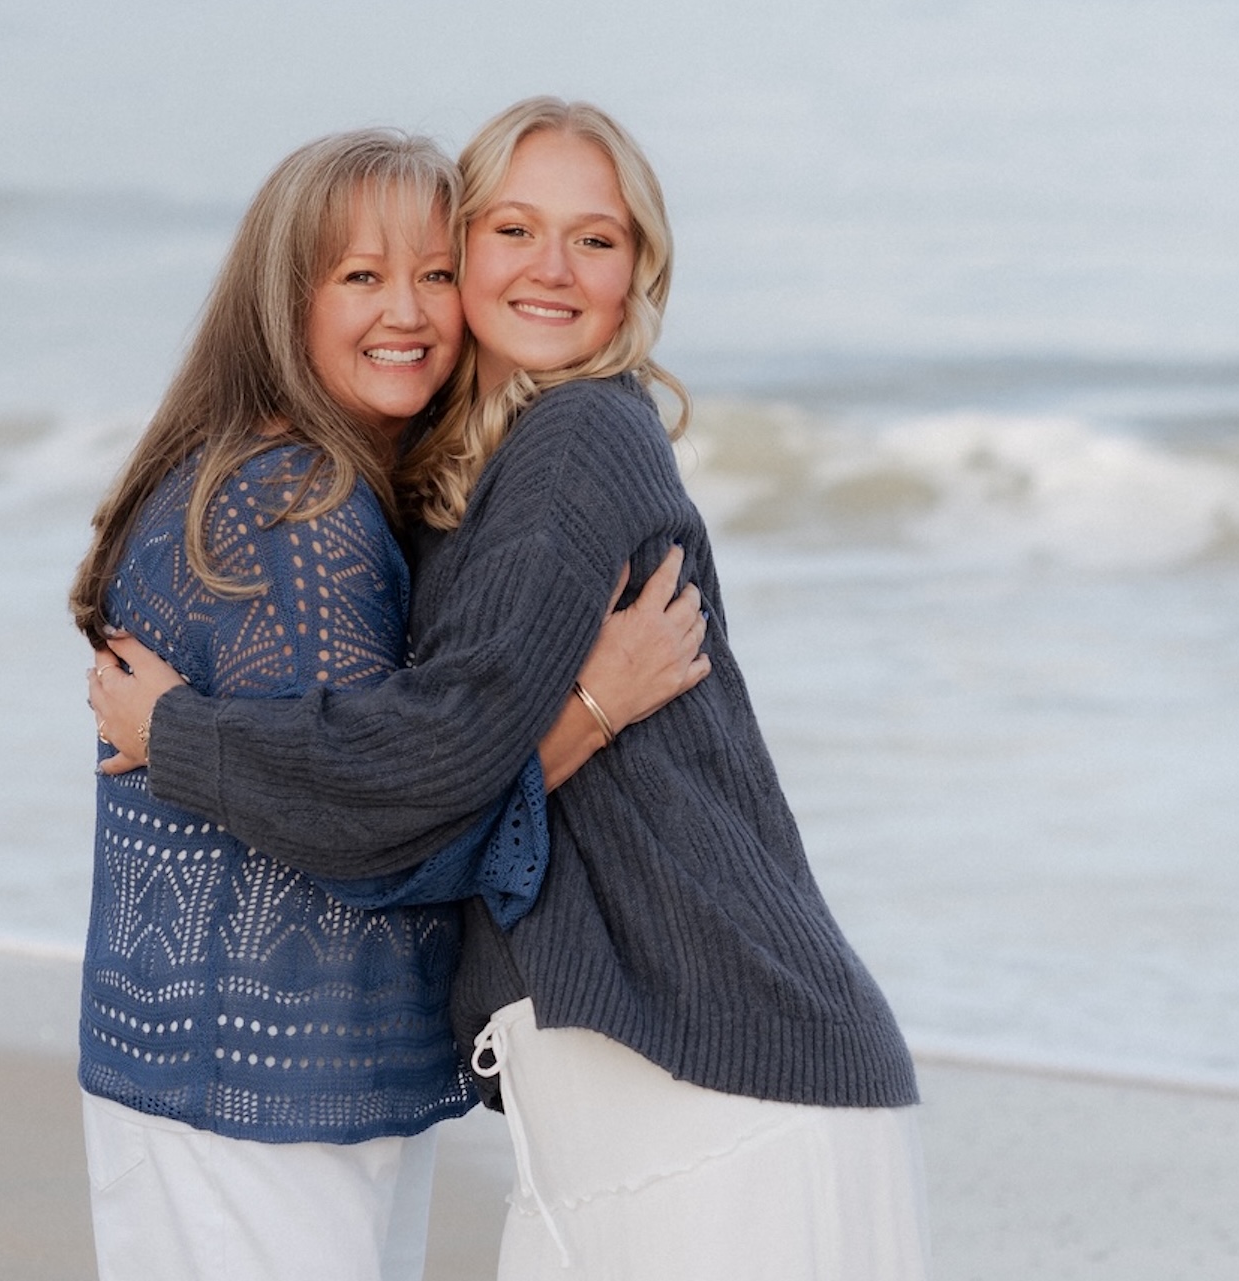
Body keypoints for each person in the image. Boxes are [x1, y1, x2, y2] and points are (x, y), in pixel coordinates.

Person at [91, 99, 929, 1279]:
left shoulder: (579, 438)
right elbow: (440, 777)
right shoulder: (453, 486)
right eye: (511, 230)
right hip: (643, 1094)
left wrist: (178, 738)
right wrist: (581, 716)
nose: (550, 269)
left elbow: (424, 766)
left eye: (595, 239)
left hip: (720, 1078)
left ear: (640, 270)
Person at [67, 127, 708, 1281]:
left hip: (189, 1068)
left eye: (433, 273)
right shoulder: (309, 517)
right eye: (360, 276)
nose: (406, 311)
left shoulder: (232, 467)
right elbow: (373, 833)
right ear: (282, 299)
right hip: (270, 1091)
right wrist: (596, 709)